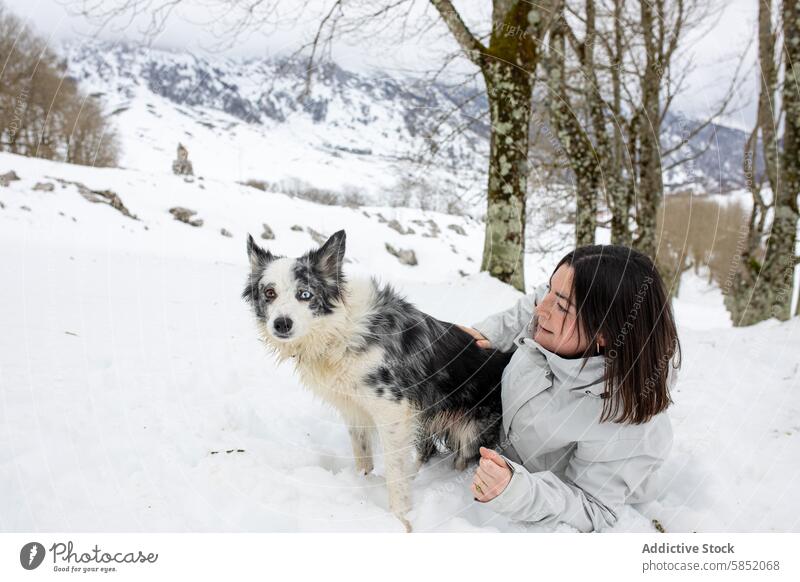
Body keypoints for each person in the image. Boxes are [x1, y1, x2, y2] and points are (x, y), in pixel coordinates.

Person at [460, 245, 680, 532]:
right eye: (549, 291)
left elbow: (594, 507)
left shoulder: (625, 422)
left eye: (561, 305)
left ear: (605, 332)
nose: (542, 309)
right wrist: (486, 335)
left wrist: (517, 491)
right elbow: (536, 304)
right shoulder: (561, 322)